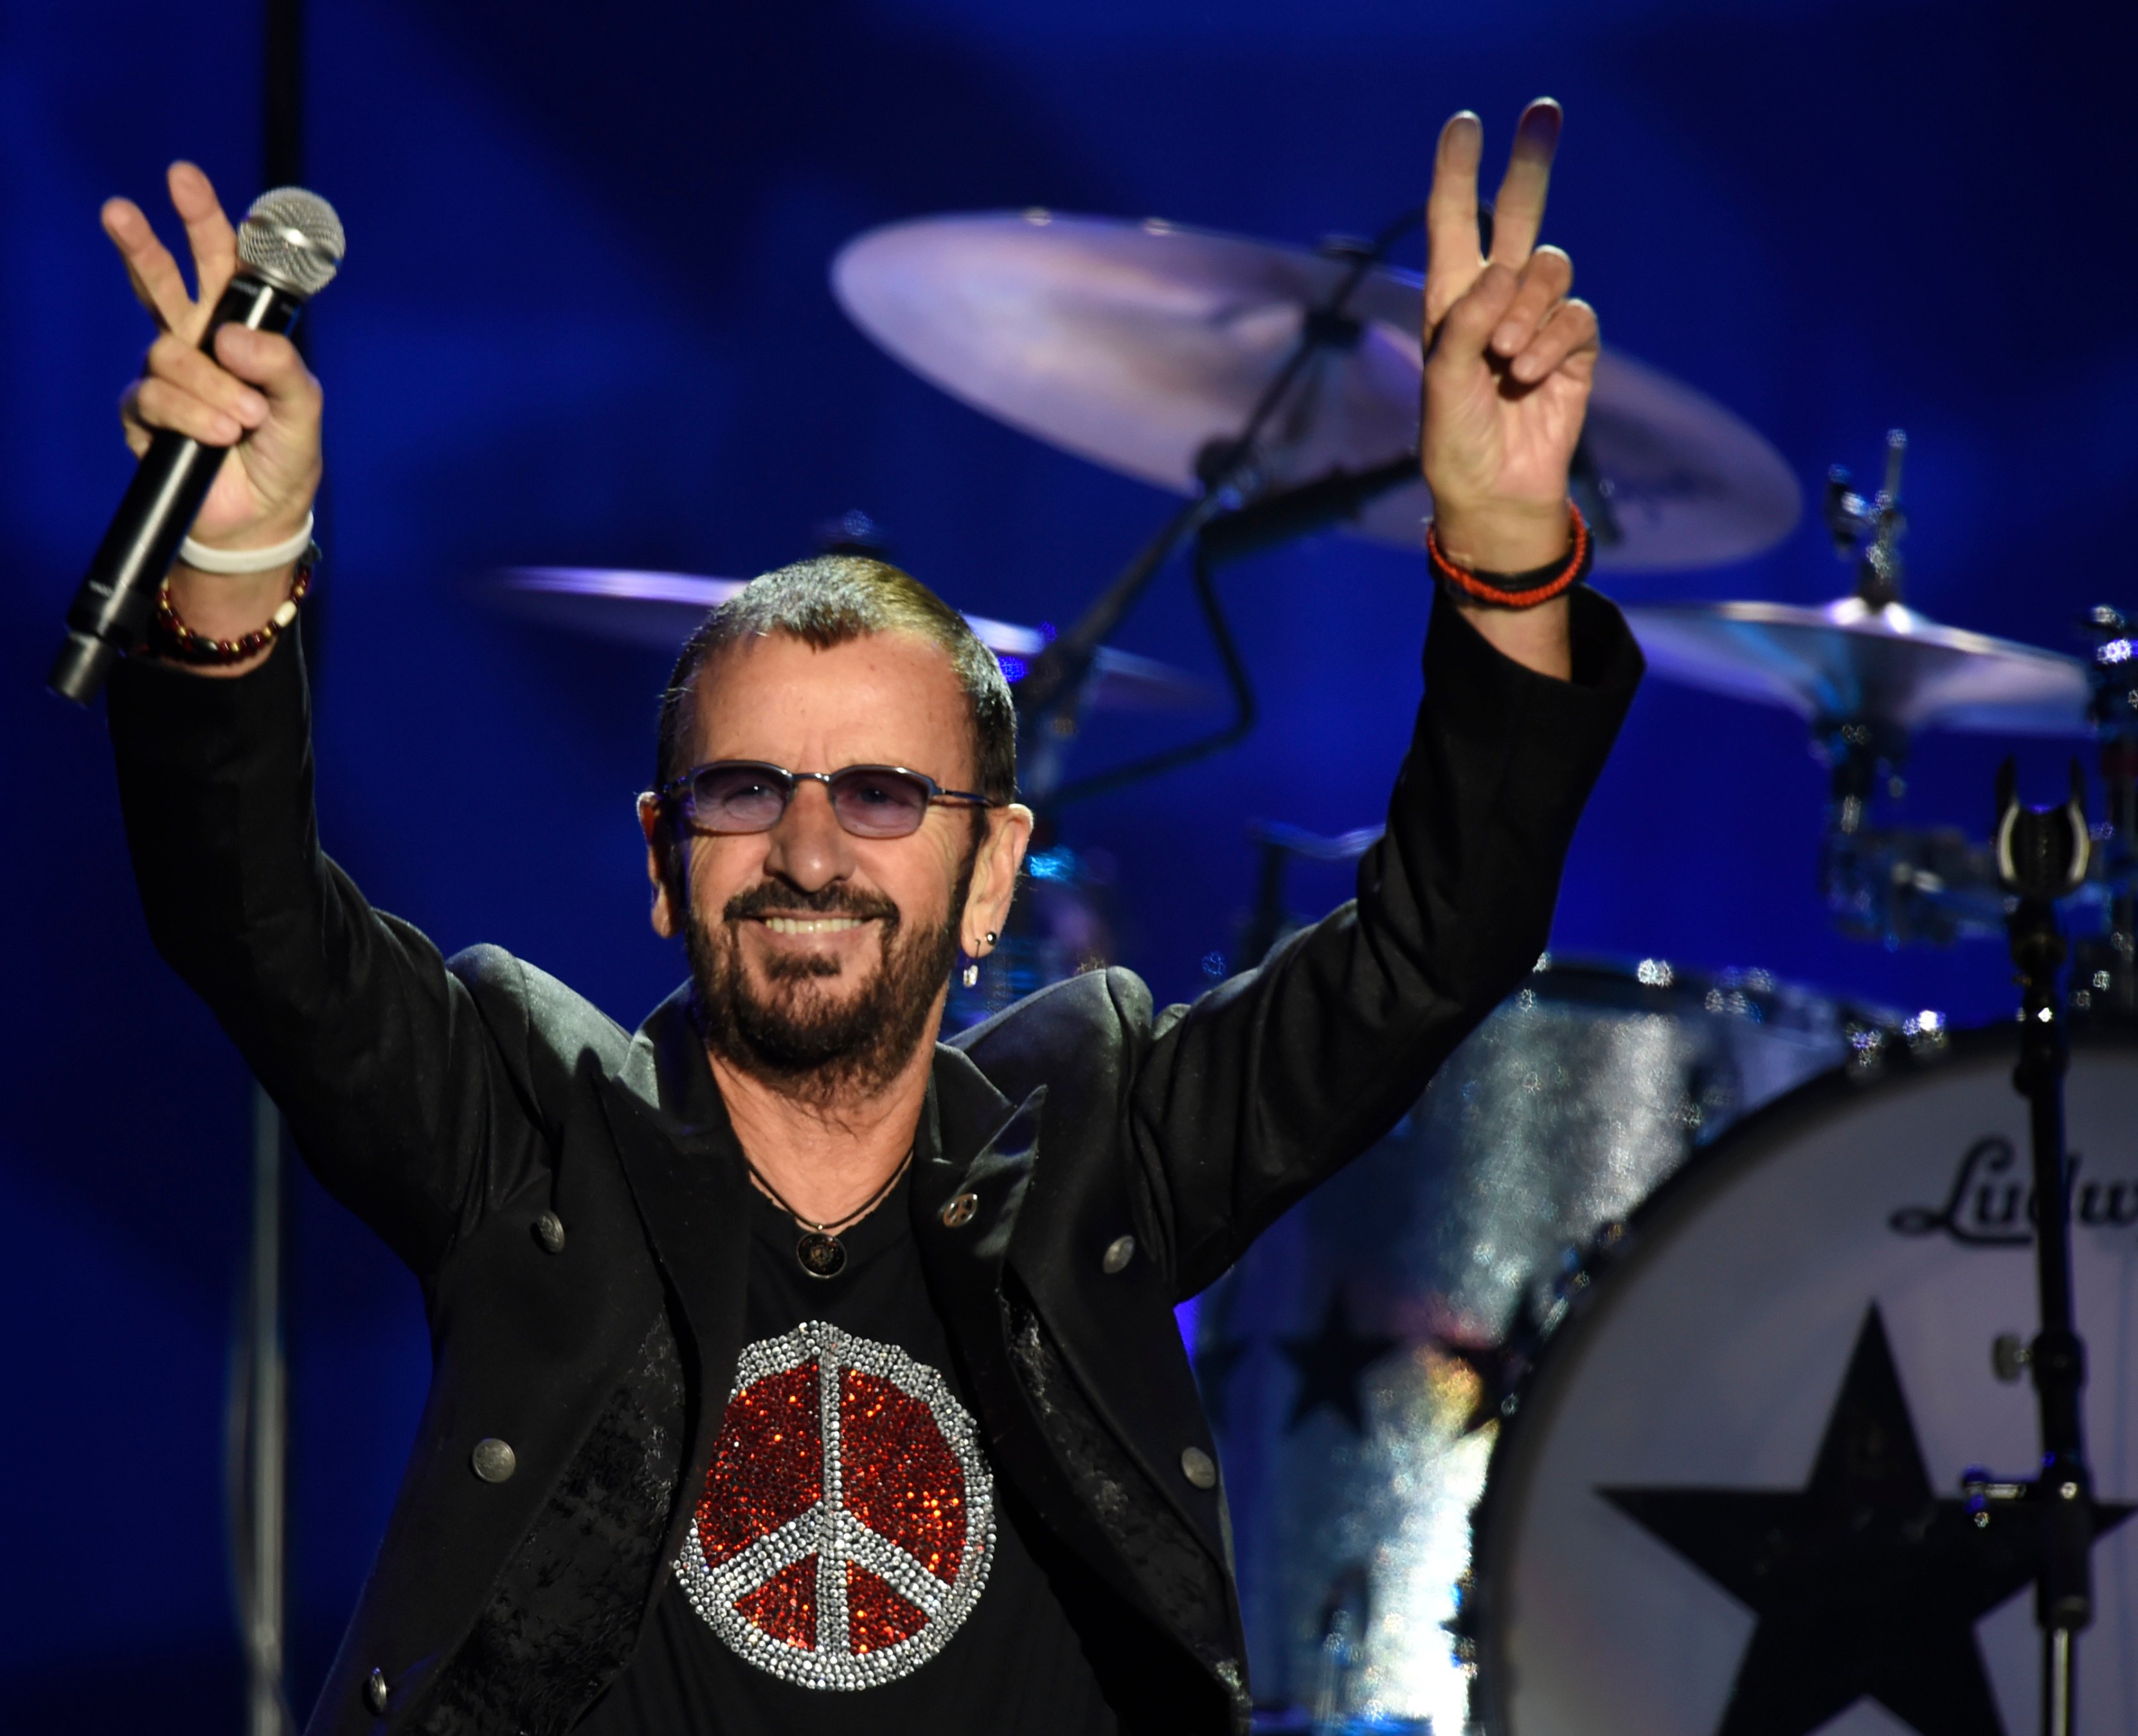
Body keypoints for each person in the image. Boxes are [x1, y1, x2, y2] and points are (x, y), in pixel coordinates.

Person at [96, 98, 1638, 1736]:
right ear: (659, 852)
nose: (809, 847)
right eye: (746, 789)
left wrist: (1498, 554)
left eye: (884, 795)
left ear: (991, 874)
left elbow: (1437, 942)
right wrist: (233, 555)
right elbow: (243, 913)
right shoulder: (529, 1132)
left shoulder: (1101, 1140)